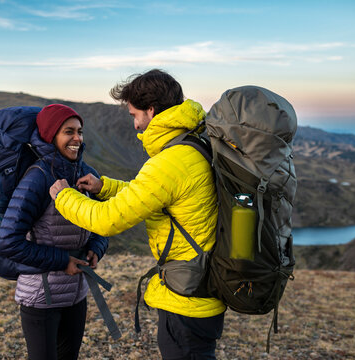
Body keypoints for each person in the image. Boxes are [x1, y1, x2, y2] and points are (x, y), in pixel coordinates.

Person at [49, 69, 226, 359]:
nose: (134, 125)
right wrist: (104, 186)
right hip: (202, 285)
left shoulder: (169, 162)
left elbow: (106, 220)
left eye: (134, 115)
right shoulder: (193, 145)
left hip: (187, 295)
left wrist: (63, 196)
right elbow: (152, 194)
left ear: (151, 111)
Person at [0, 104, 109, 360]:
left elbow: (103, 222)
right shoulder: (37, 178)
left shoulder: (87, 174)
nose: (77, 138)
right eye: (68, 131)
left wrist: (96, 248)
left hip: (75, 293)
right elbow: (8, 241)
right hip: (40, 297)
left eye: (80, 131)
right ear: (50, 136)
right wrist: (62, 261)